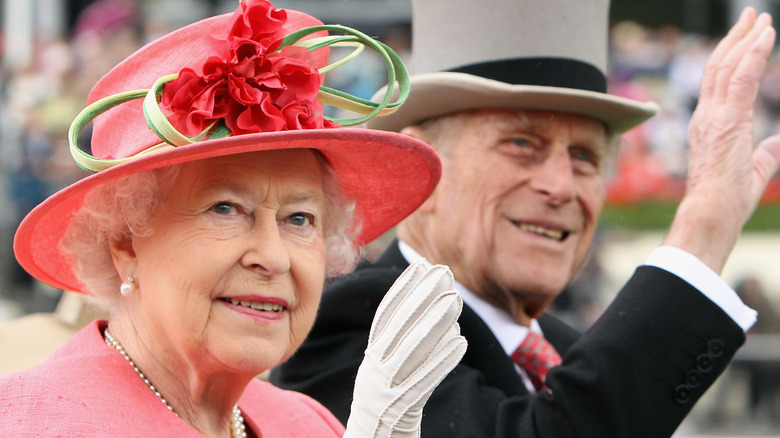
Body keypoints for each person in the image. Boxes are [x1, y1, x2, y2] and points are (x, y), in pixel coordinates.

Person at [270, 0, 780, 436]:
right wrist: (702, 230)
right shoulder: (357, 322)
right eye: (521, 144)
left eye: (584, 157)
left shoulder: (565, 350)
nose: (561, 186)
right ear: (423, 170)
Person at [0, 1, 466, 436]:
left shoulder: (307, 423)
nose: (273, 257)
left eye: (300, 219)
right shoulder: (32, 419)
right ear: (124, 242)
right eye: (225, 209)